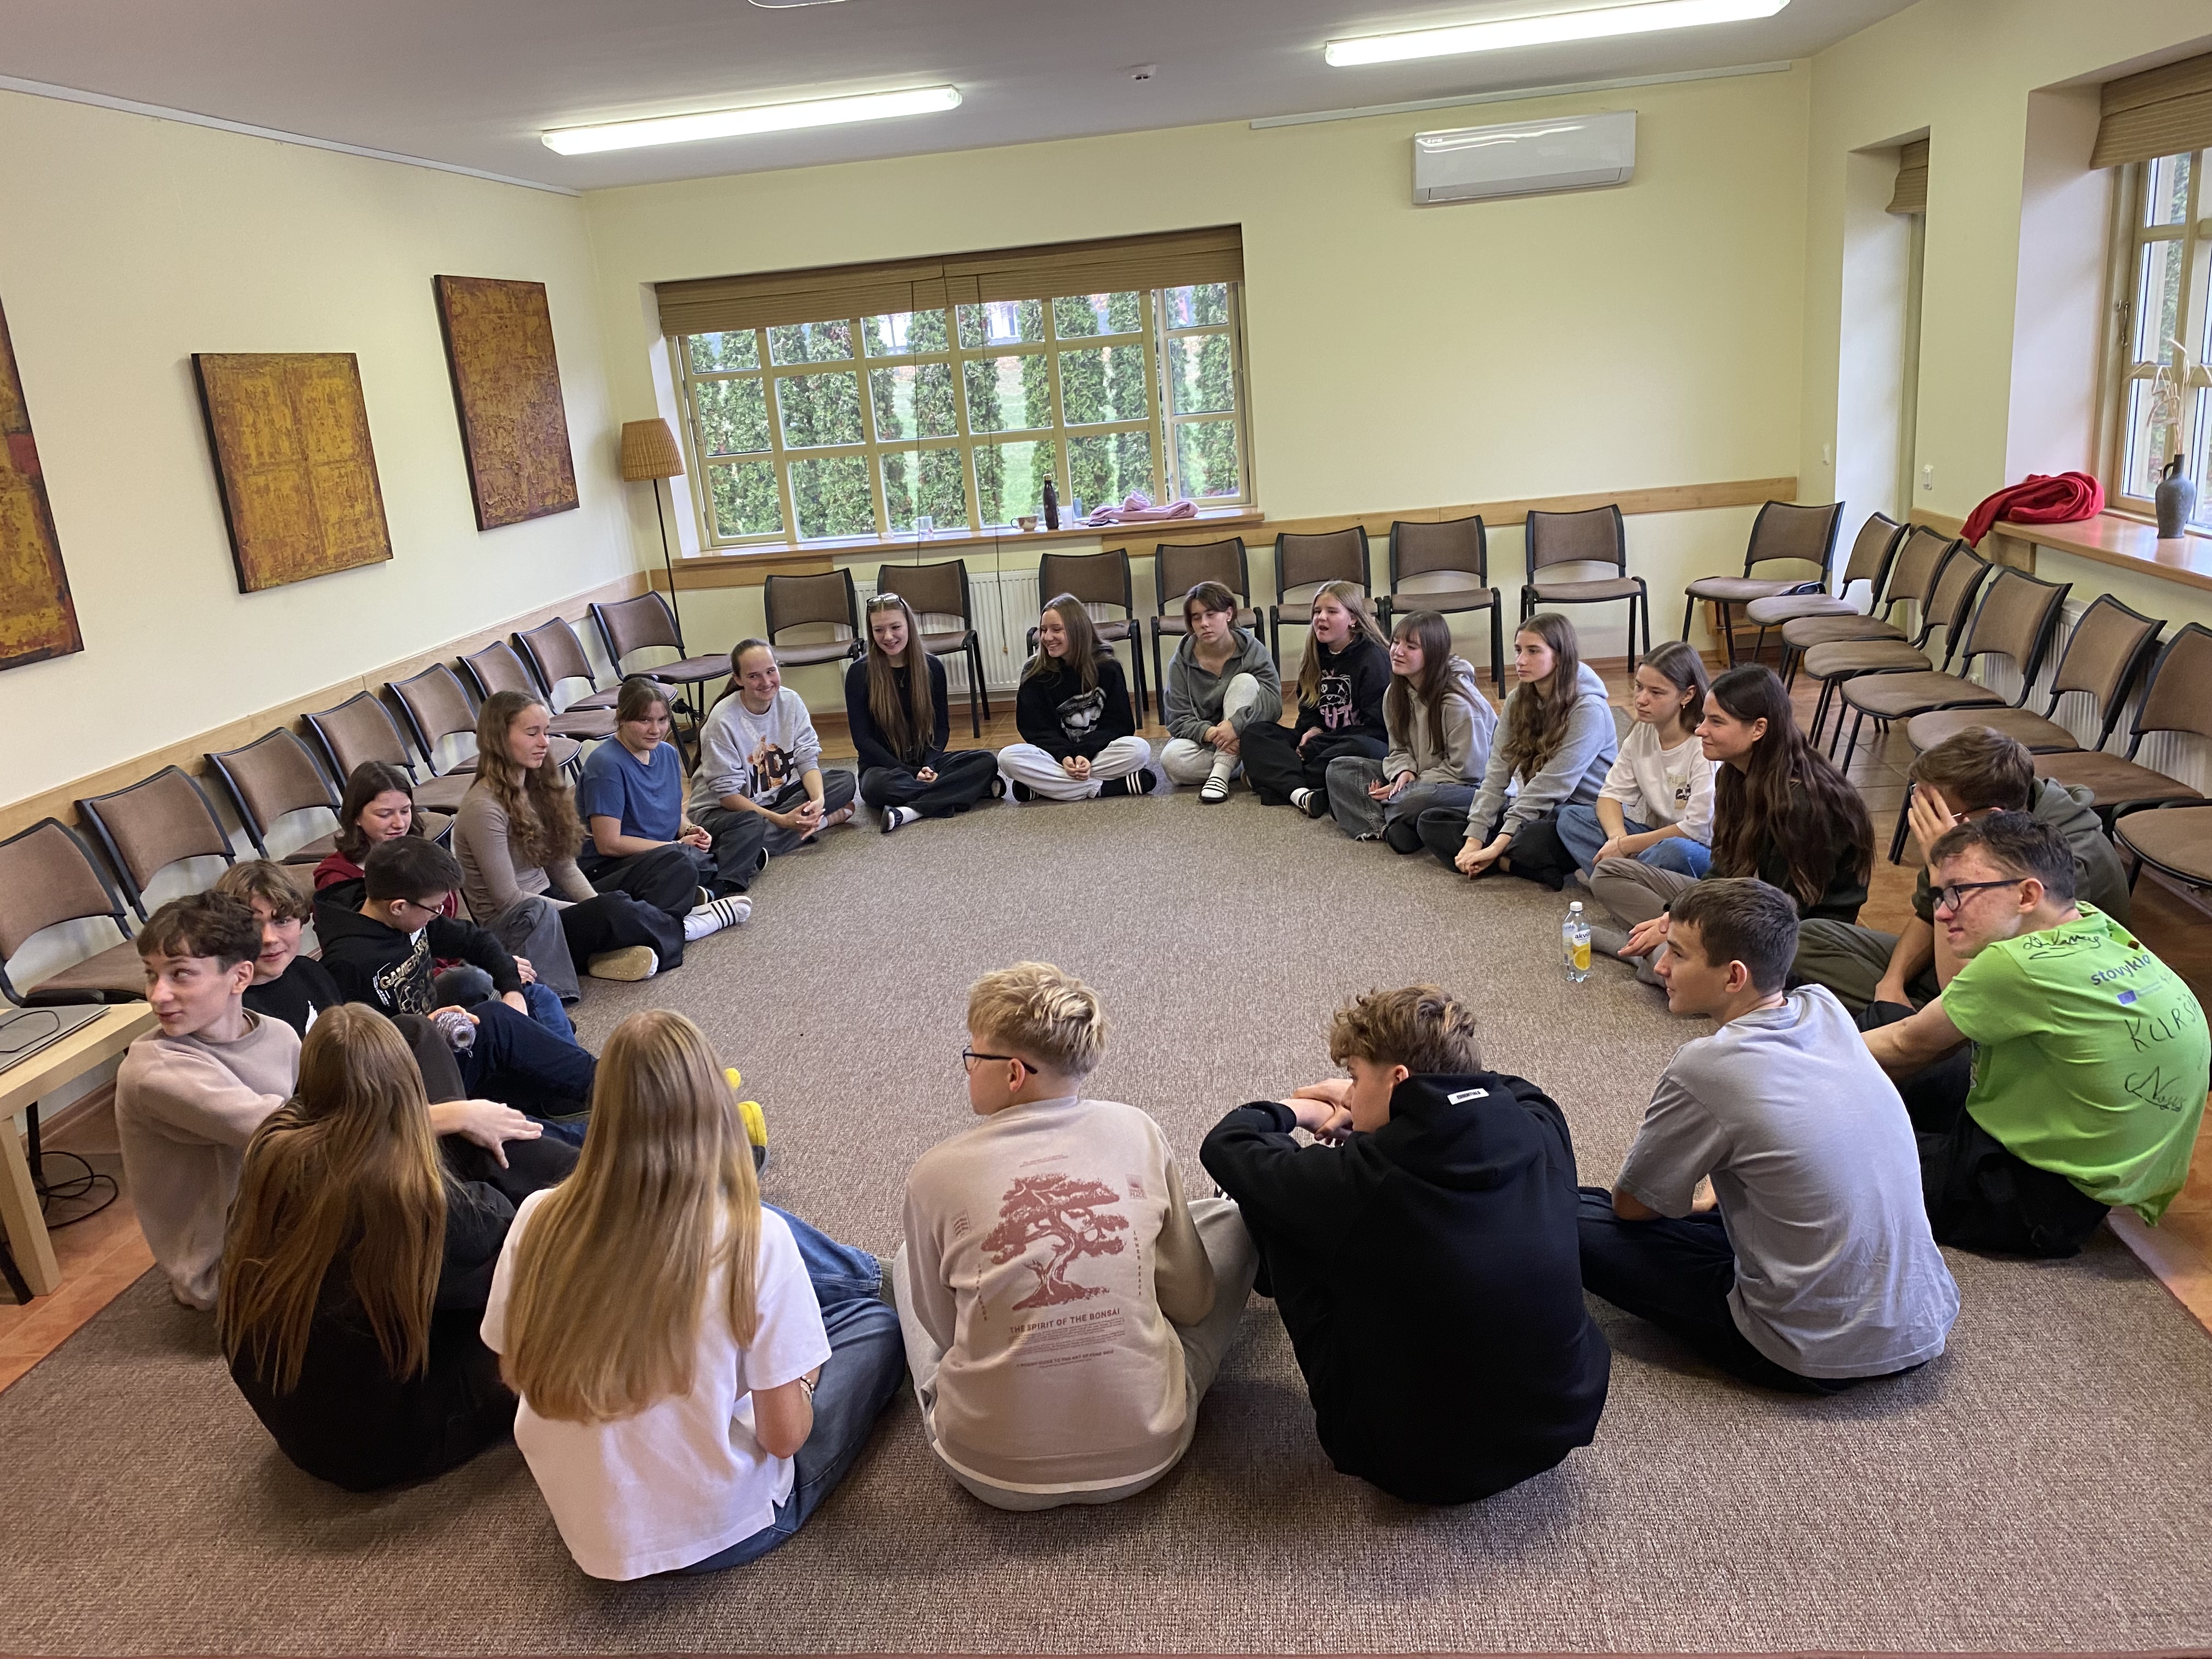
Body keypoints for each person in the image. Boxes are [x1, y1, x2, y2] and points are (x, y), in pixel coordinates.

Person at [482, 1011, 904, 1580]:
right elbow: (784, 1438)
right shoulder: (755, 1236)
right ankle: (849, 1293)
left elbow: (511, 1367)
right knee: (875, 1326)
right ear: (714, 1105)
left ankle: (818, 1307)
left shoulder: (536, 1216)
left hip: (585, 1523)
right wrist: (803, 1378)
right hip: (726, 1525)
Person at [1199, 986, 1609, 1505]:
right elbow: (1498, 1087)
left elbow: (1228, 1144)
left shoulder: (1357, 1181)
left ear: (1398, 1079)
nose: (1350, 1094)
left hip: (1410, 1466)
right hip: (1561, 1424)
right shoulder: (1541, 1122)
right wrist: (1388, 1109)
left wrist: (1300, 1109)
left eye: (1354, 1077)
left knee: (1276, 1207)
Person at [894, 963, 1255, 1510]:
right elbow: (1194, 1301)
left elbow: (946, 1332)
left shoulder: (932, 1175)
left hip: (989, 1473)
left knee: (907, 1261)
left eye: (973, 1056)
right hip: (1148, 1454)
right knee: (1229, 1221)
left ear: (1014, 1074)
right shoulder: (1138, 1131)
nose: (968, 1069)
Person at [1576, 880, 1959, 1393]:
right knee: (1739, 1206)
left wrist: (1690, 1200)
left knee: (1571, 1211)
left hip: (1807, 1352)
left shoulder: (1706, 1067)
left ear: (1735, 976)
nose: (1662, 966)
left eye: (1679, 954)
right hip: (1925, 1321)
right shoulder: (1824, 1008)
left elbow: (1634, 1208)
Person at [114, 894, 539, 1310]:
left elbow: (338, 1106)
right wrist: (453, 1115)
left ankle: (541, 1204)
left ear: (240, 977)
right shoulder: (155, 1072)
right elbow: (307, 1133)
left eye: (180, 975)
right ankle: (523, 1241)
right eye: (152, 975)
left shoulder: (276, 1034)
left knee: (426, 1061)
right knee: (452, 1220)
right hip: (243, 1261)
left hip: (310, 1200)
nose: (158, 995)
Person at [1860, 812, 2209, 1257]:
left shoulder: (2017, 965)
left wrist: (1787, 1056)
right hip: (2091, 1179)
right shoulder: (2095, 924)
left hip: (2035, 1204)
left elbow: (1907, 1044)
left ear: (2027, 895)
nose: (1943, 911)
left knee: (1835, 1152)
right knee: (1884, 1033)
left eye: (1958, 892)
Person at [221, 1005, 526, 1491]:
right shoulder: (409, 1199)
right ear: (413, 1098)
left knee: (417, 1032)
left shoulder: (271, 1148)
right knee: (560, 1279)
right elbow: (514, 1236)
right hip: (383, 1449)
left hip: (298, 1425)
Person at [1795, 726, 2130, 1012]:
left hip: (2016, 995)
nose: (1920, 817)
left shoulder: (2060, 865)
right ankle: (1909, 1014)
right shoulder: (1993, 823)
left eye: (1935, 809)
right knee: (1805, 939)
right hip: (1972, 957)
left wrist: (1940, 865)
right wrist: (1891, 984)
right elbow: (1931, 916)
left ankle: (1924, 1031)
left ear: (1990, 816)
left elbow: (1966, 984)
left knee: (1946, 1015)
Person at [1590, 664, 1872, 974]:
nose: (1700, 730)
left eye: (1716, 722)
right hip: (1749, 899)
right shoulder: (1732, 775)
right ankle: (1676, 952)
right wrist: (1673, 917)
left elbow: (1782, 914)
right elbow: (1724, 870)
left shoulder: (1804, 803)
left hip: (1797, 932)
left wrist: (1686, 923)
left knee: (1723, 968)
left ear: (1758, 729)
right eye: (1704, 719)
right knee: (1609, 873)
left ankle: (1666, 958)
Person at [316, 838, 599, 1132]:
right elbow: (364, 1050)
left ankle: (559, 1090)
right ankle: (598, 1084)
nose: (437, 914)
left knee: (533, 995)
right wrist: (430, 1026)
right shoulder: (348, 963)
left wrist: (512, 990)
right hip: (413, 1073)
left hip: (437, 1034)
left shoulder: (405, 915)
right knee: (497, 1019)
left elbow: (476, 941)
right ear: (399, 907)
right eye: (435, 908)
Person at [312, 762, 577, 1035]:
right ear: (356, 817)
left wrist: (501, 968)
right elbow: (392, 959)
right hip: (423, 983)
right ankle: (530, 1017)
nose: (399, 823)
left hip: (443, 958)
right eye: (385, 814)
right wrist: (487, 968)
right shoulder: (343, 885)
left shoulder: (419, 857)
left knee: (536, 917)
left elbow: (452, 928)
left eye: (405, 811)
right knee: (478, 979)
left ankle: (537, 1009)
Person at [454, 689, 690, 989]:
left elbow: (563, 867)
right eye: (532, 734)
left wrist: (595, 907)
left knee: (675, 864)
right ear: (498, 739)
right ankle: (684, 926)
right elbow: (509, 900)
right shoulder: (483, 808)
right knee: (615, 908)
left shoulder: (537, 787)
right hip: (523, 927)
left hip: (553, 900)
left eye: (546, 732)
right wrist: (598, 912)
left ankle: (624, 943)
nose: (544, 743)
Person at [1416, 612, 1615, 890]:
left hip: (1579, 816)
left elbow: (1551, 785)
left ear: (1560, 656)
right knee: (1432, 821)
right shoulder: (1518, 699)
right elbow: (1497, 772)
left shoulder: (1589, 709)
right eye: (1518, 650)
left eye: (1533, 651)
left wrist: (1497, 844)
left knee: (1532, 840)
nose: (1520, 660)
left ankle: (1504, 858)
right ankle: (1509, 864)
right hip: (1536, 810)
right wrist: (1475, 837)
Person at [577, 676, 752, 942]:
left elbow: (673, 813)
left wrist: (692, 830)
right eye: (644, 720)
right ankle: (699, 899)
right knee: (682, 862)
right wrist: (675, 846)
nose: (655, 730)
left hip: (665, 848)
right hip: (613, 864)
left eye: (662, 720)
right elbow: (608, 844)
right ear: (621, 718)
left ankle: (712, 889)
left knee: (747, 822)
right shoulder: (606, 765)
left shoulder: (667, 753)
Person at [1322, 608, 1495, 850]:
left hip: (1467, 787)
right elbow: (1398, 748)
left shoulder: (1459, 704)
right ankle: (1389, 829)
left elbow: (1469, 772)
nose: (1397, 651)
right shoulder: (1395, 693)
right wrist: (1403, 772)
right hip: (1419, 778)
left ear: (1433, 653)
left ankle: (1382, 815)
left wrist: (1409, 784)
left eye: (1411, 647)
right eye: (1395, 642)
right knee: (1340, 770)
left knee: (1412, 800)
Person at [691, 639, 857, 874]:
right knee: (750, 828)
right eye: (754, 676)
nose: (766, 682)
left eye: (771, 671)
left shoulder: (791, 702)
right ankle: (819, 824)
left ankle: (758, 843)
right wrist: (782, 821)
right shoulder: (722, 721)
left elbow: (807, 759)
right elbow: (728, 796)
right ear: (738, 679)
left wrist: (819, 801)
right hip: (726, 813)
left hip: (773, 800)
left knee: (843, 781)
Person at [1554, 639, 1714, 884]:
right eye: (1639, 687)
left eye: (1656, 693)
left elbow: (1696, 829)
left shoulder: (1704, 745)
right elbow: (1610, 796)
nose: (1641, 699)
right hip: (1653, 841)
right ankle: (1629, 880)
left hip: (1700, 849)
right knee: (1571, 818)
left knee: (1674, 851)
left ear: (1687, 695)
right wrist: (1617, 839)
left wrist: (1626, 846)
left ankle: (1615, 880)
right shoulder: (1642, 731)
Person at [844, 592, 1002, 832]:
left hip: (927, 762)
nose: (888, 637)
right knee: (877, 788)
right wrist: (911, 772)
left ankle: (910, 812)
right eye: (879, 630)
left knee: (986, 761)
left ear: (909, 625)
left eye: (896, 627)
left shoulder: (932, 667)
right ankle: (967, 791)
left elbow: (941, 729)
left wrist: (929, 765)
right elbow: (862, 740)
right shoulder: (859, 673)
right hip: (884, 769)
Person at [1239, 582, 1390, 815]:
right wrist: (1312, 729)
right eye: (1317, 611)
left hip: (1357, 743)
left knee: (1355, 751)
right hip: (1320, 746)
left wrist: (1318, 744)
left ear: (1353, 619)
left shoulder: (1373, 658)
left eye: (1332, 612)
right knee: (1255, 734)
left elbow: (1378, 728)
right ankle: (1301, 792)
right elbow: (1308, 711)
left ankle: (1276, 781)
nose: (1321, 618)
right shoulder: (1315, 654)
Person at [996, 595, 1158, 803]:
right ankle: (1104, 788)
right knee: (1008, 758)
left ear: (1077, 630)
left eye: (1056, 629)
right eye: (1043, 630)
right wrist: (1064, 756)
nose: (1047, 637)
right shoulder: (1034, 673)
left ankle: (1043, 788)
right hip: (1056, 757)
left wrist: (1085, 754)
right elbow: (1036, 731)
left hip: (1097, 753)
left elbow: (1120, 726)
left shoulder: (1108, 668)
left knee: (1139, 750)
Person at [1158, 579, 1283, 804]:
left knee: (1244, 682)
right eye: (1196, 618)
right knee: (1171, 761)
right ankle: (1246, 764)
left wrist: (1235, 726)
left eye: (1211, 614)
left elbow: (1273, 702)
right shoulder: (1180, 663)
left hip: (1245, 733)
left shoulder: (1252, 650)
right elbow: (1176, 719)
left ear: (1229, 614)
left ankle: (1221, 774)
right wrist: (1213, 733)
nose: (1204, 623)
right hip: (1208, 741)